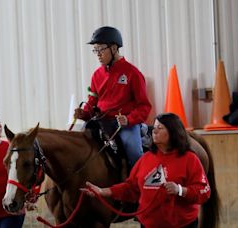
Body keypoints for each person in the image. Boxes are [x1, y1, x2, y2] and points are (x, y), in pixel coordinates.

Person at [82, 113, 210, 228]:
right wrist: (103, 191)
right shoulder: (146, 159)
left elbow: (204, 192)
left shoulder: (190, 159)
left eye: (160, 128)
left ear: (173, 132)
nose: (154, 131)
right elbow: (131, 188)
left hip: (182, 225)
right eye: (154, 127)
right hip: (148, 224)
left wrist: (180, 190)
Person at [74, 26, 152, 169]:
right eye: (95, 50)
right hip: (101, 122)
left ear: (114, 48)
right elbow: (92, 103)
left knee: (134, 151)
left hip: (125, 125)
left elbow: (144, 106)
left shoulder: (133, 73)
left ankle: (140, 184)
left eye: (101, 49)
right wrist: (84, 114)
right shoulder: (97, 75)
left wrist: (128, 119)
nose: (97, 54)